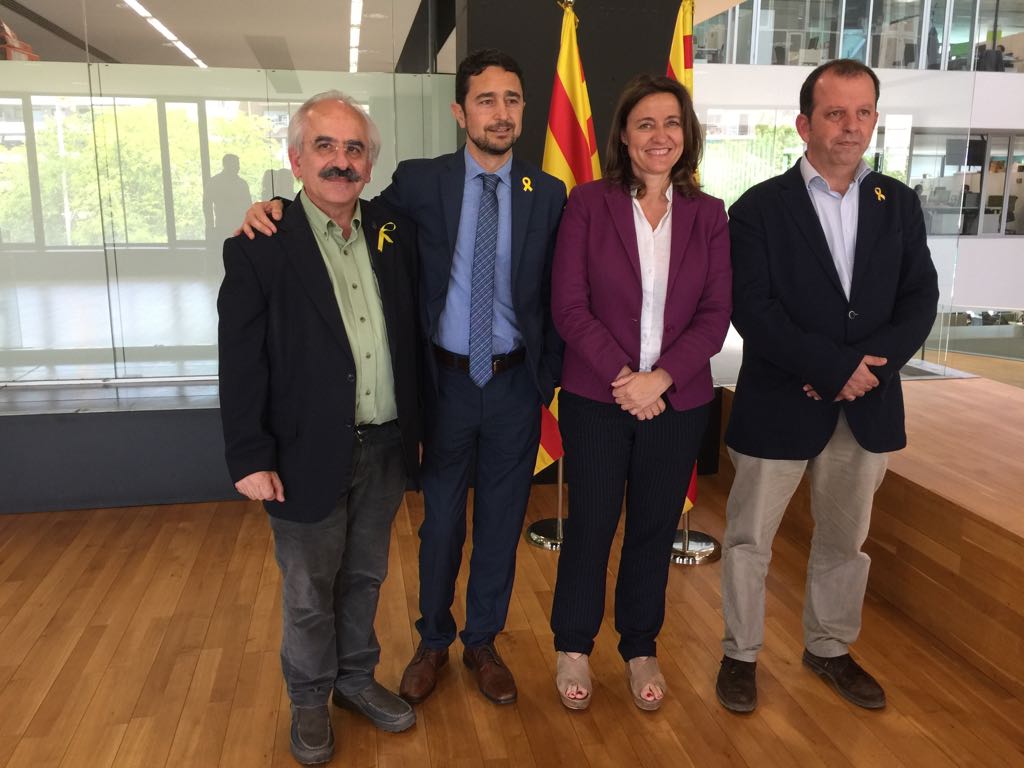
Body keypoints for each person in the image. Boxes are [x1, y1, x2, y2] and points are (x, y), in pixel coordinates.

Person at [238, 49, 566, 707]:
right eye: (485, 100)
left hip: (513, 386)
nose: (500, 113)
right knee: (440, 523)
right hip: (444, 386)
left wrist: (548, 377)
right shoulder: (420, 182)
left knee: (501, 521)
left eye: (511, 100)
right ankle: (433, 640)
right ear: (460, 111)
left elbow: (563, 286)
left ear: (524, 110)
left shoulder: (549, 193)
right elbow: (341, 206)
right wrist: (274, 206)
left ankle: (483, 641)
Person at [716, 59, 939, 714]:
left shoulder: (897, 203)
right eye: (835, 113)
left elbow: (920, 299)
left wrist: (866, 371)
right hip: (779, 403)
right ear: (803, 123)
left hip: (867, 405)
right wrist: (830, 369)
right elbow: (753, 309)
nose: (851, 126)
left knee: (845, 543)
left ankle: (829, 648)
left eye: (863, 112)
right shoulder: (758, 208)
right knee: (749, 541)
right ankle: (739, 655)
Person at [218, 91, 420, 764]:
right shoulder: (260, 244)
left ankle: (355, 681)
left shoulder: (395, 232)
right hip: (301, 453)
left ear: (370, 164)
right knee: (309, 592)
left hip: (384, 443)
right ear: (295, 159)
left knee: (364, 577)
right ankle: (309, 699)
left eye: (354, 149)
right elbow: (240, 360)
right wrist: (249, 454)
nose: (341, 161)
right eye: (325, 146)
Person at [548, 74, 732, 712]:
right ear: (623, 136)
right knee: (591, 526)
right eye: (645, 123)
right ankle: (574, 646)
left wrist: (663, 378)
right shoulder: (587, 204)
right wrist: (628, 379)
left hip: (678, 404)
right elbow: (569, 307)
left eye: (672, 123)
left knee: (654, 529)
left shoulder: (710, 214)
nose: (660, 135)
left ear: (688, 135)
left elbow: (716, 314)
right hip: (598, 399)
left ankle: (639, 647)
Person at [204, 153, 252, 244]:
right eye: (235, 164)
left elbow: (248, 205)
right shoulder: (214, 182)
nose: (238, 167)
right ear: (226, 165)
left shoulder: (242, 183)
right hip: (222, 227)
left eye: (238, 165)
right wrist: (210, 226)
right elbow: (207, 206)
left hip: (240, 226)